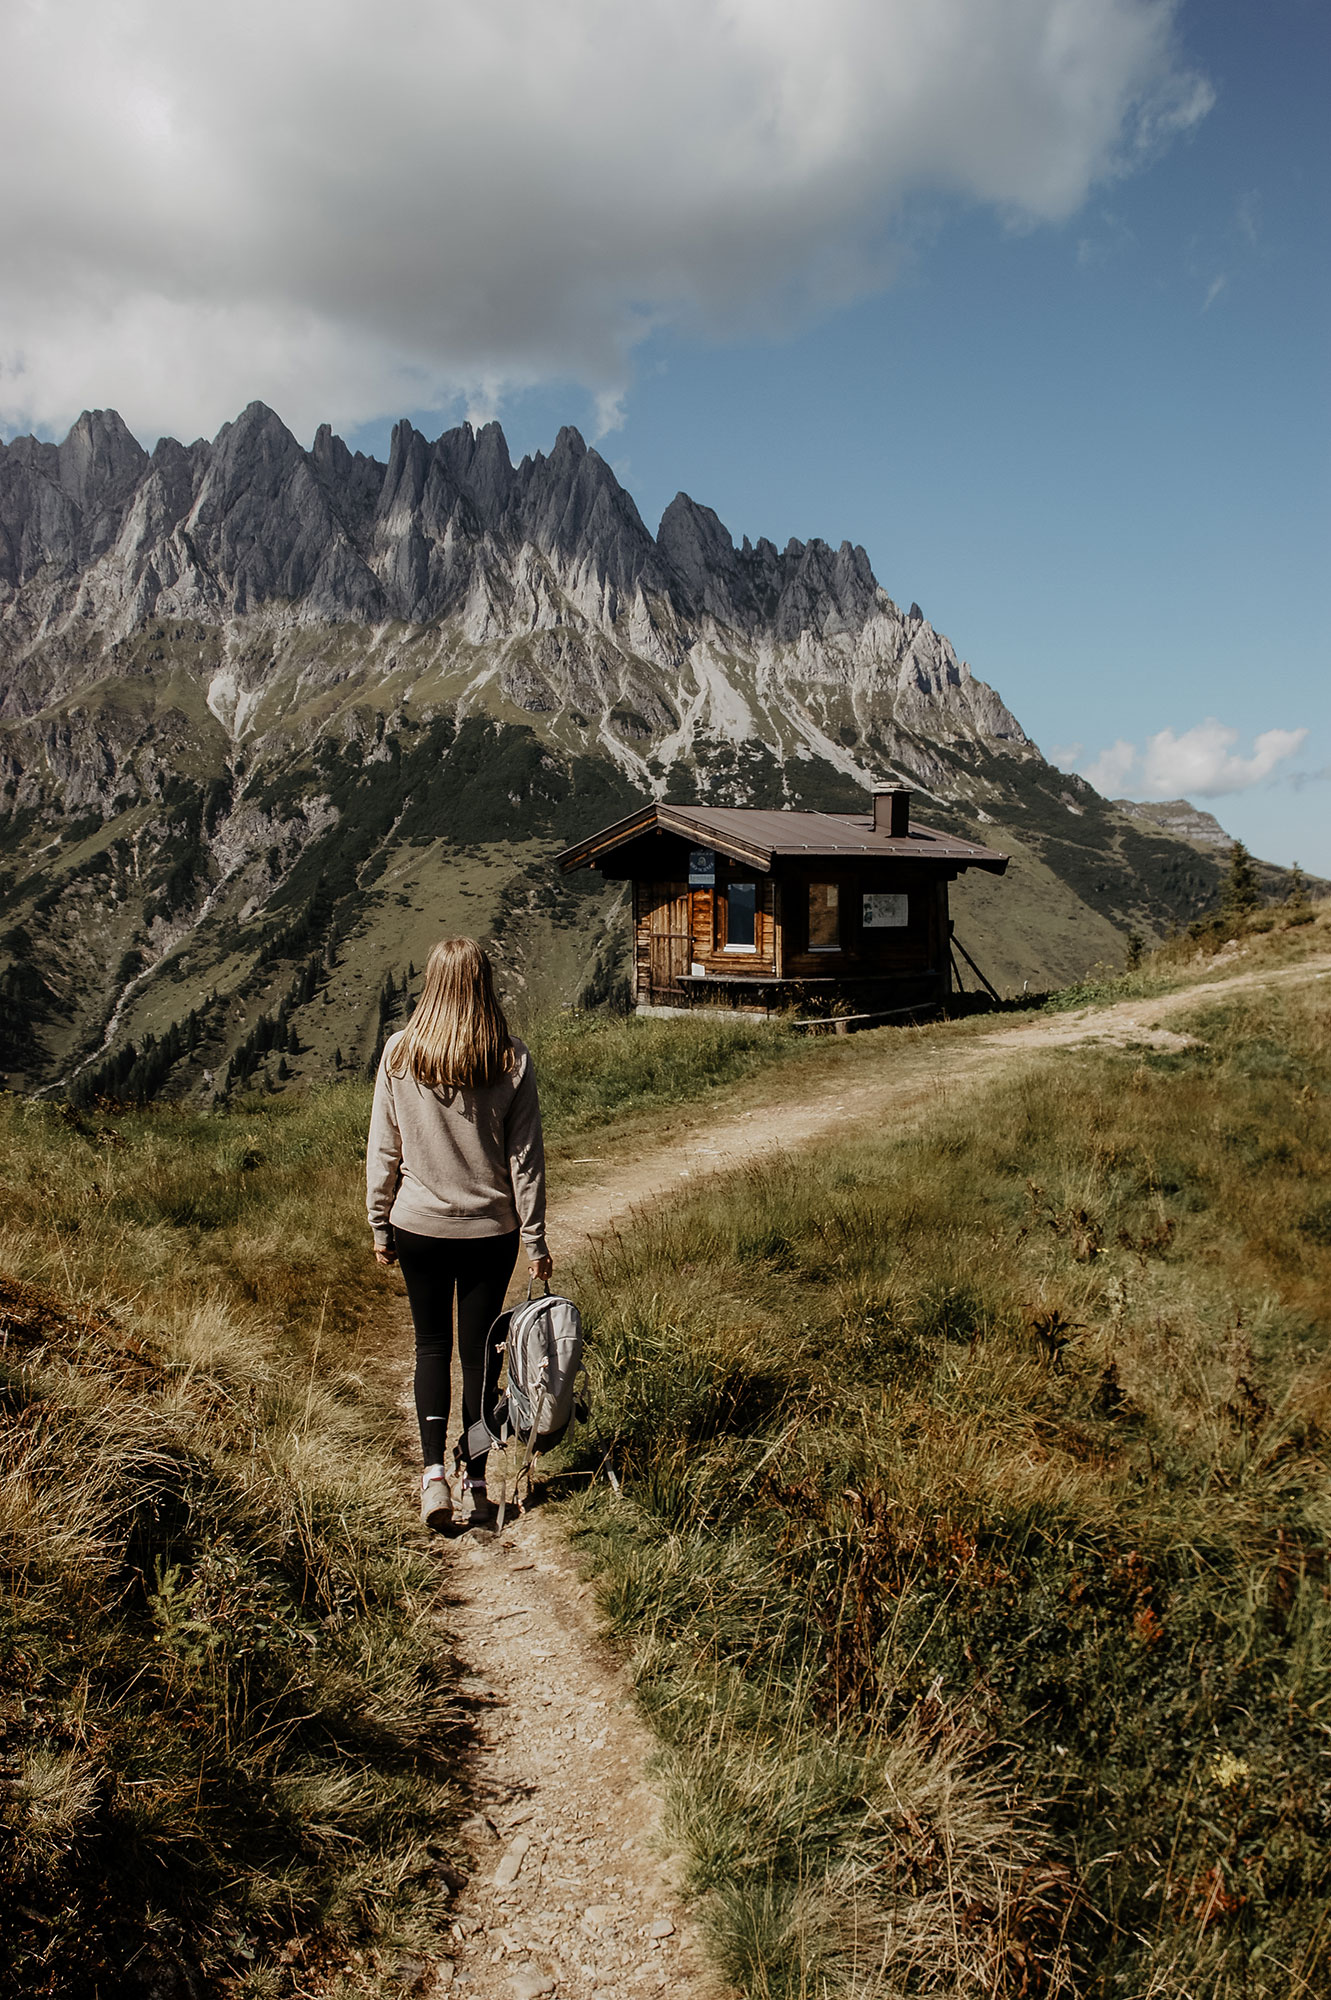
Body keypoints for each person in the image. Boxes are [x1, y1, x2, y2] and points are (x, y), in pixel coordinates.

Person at [366, 937, 552, 1531]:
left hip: (418, 1224)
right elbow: (526, 1161)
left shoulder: (399, 1054)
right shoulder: (510, 1059)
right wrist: (536, 1240)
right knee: (478, 1357)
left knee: (429, 1348)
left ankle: (431, 1480)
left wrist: (379, 1220)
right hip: (490, 1231)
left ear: (432, 982)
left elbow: (384, 1149)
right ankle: (475, 1475)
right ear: (483, 983)